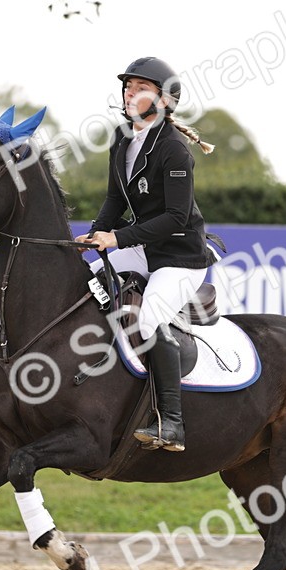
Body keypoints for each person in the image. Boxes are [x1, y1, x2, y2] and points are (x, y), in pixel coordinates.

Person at [76, 56, 217, 453]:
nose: (130, 93)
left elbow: (175, 218)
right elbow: (114, 198)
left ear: (164, 100)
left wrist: (117, 238)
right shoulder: (122, 137)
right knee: (86, 282)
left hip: (180, 257)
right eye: (128, 87)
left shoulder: (174, 150)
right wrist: (96, 234)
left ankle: (171, 422)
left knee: (151, 316)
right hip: (142, 248)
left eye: (140, 88)